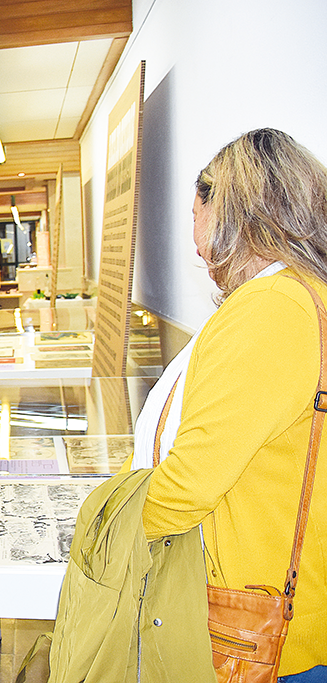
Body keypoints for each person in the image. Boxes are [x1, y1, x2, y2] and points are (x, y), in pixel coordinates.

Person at [133, 128, 327, 681]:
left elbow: (194, 477)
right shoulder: (302, 294)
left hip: (262, 630)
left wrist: (109, 527)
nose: (196, 243)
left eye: (197, 217)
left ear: (232, 213)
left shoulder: (273, 307)